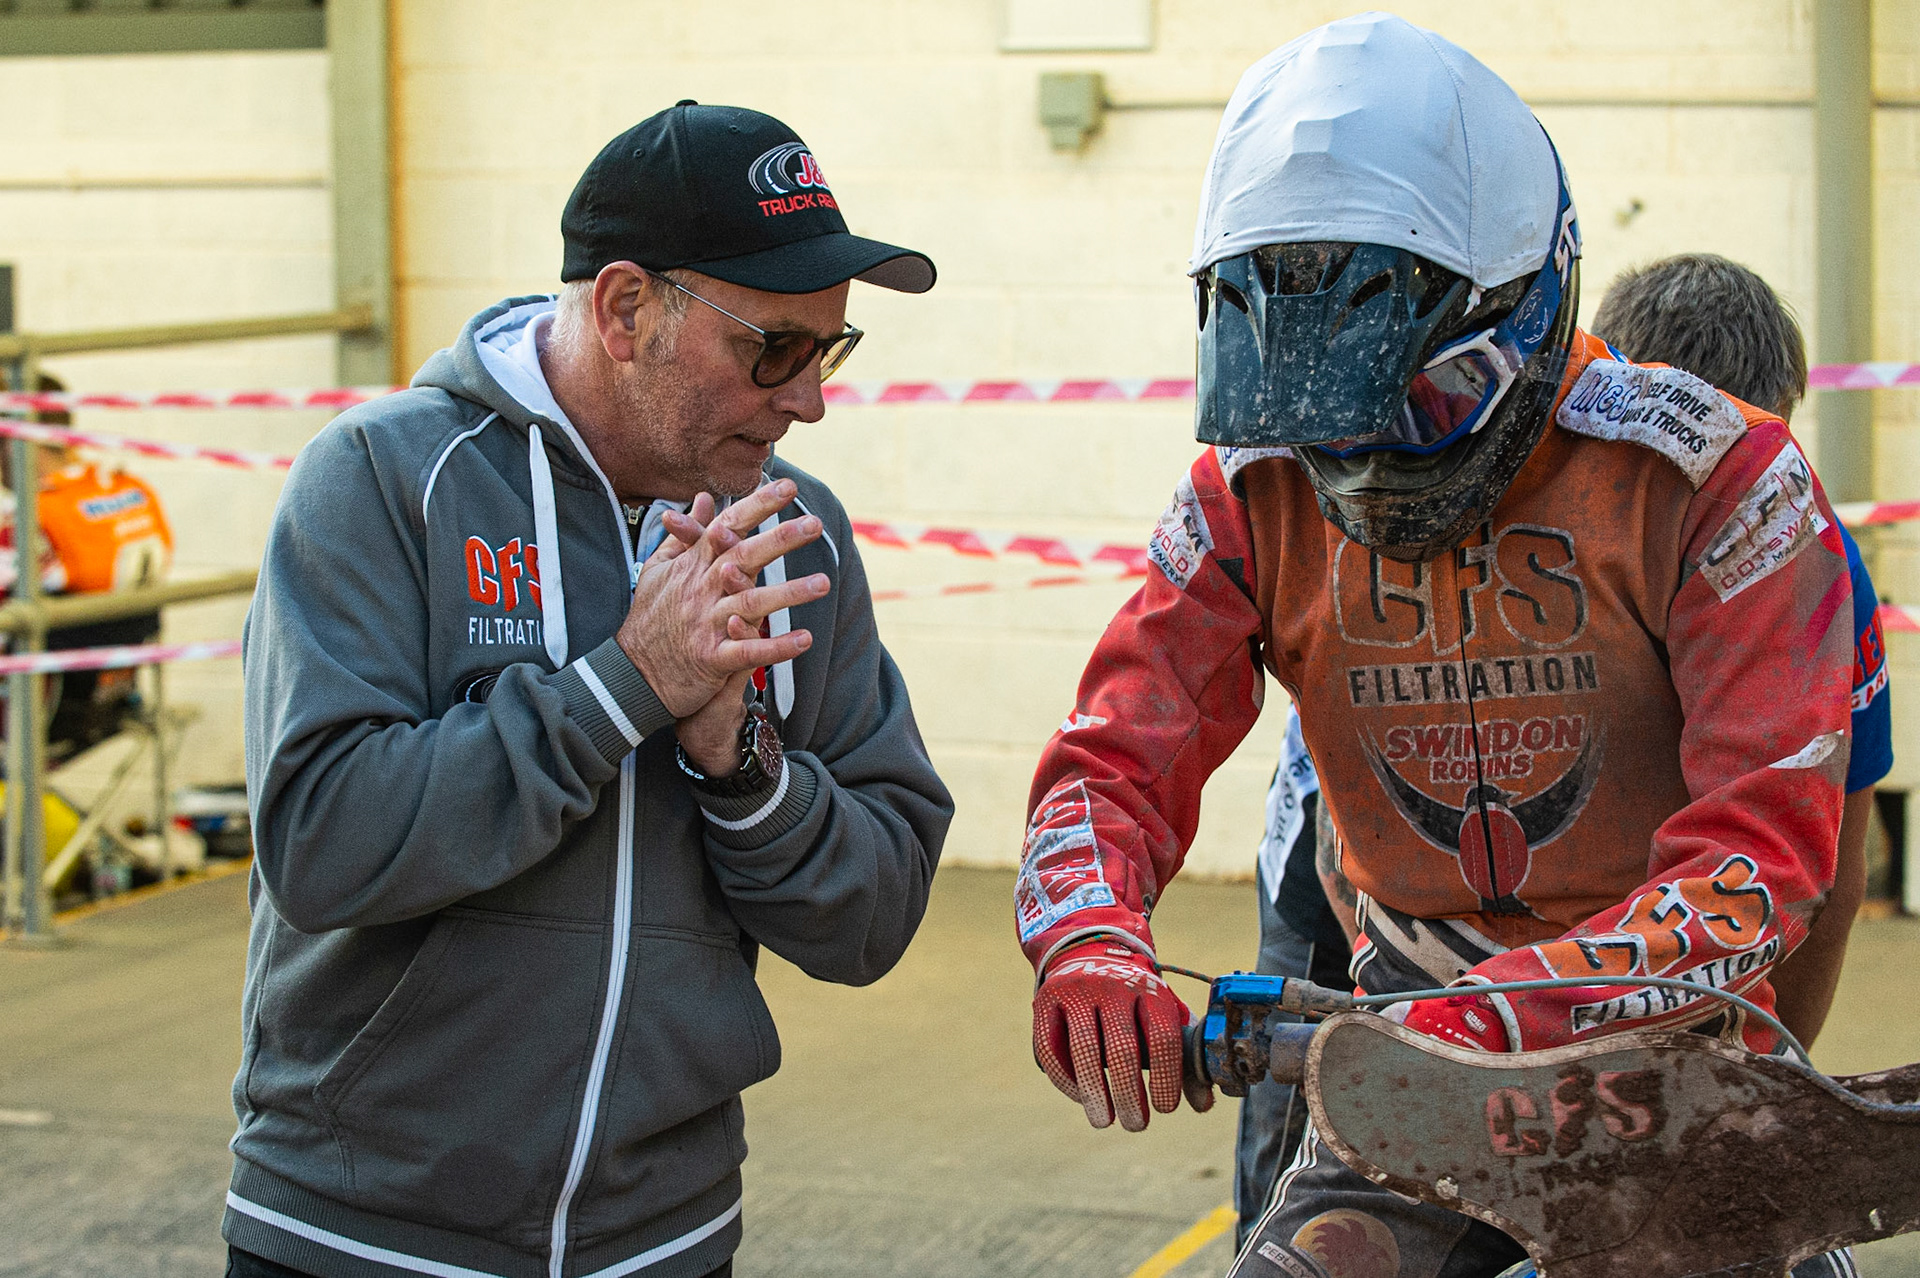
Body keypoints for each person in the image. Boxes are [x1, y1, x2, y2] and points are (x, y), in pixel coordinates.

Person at [1013, 16, 1856, 1278]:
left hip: (1670, 1067)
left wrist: (1503, 1014)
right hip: (1404, 1060)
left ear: (1537, 291)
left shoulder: (1716, 480)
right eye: (1324, 424)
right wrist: (1086, 935)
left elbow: (1760, 859)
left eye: (1430, 400)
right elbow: (1110, 769)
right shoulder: (1251, 488)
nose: (1367, 465)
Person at [227, 103, 953, 1278]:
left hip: (661, 1239)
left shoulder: (791, 535)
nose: (809, 397)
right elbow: (323, 845)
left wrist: (743, 767)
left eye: (831, 348)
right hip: (362, 1234)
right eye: (773, 347)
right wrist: (625, 688)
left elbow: (874, 918)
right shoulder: (382, 478)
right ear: (624, 309)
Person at [1229, 251, 1895, 1252]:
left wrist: (1755, 1053)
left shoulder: (1794, 542)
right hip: (1363, 858)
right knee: (1318, 1139)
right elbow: (1330, 859)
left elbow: (1821, 857)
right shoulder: (1500, 466)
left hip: (1628, 942)